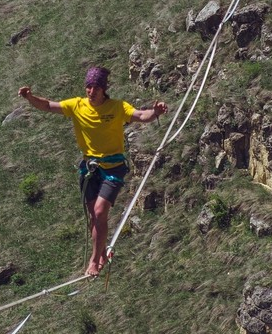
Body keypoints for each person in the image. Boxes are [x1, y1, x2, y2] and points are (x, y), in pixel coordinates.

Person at [18, 66, 168, 277]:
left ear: (103, 89)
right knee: (94, 217)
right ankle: (101, 254)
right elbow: (48, 106)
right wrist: (29, 97)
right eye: (88, 87)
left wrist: (156, 112)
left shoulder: (116, 107)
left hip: (113, 168)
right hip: (90, 168)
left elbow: (141, 115)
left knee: (99, 212)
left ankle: (95, 261)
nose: (91, 91)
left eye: (96, 87)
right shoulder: (76, 105)